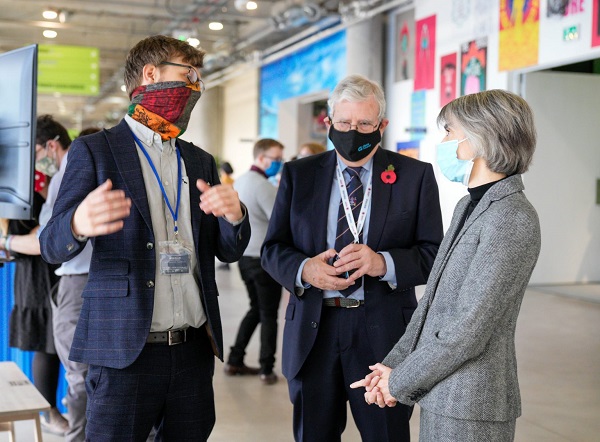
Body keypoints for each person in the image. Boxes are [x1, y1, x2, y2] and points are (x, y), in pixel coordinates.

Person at [40, 35, 250, 442]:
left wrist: (234, 216)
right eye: (187, 74)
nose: (196, 86)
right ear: (151, 74)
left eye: (198, 77)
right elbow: (51, 244)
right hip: (124, 352)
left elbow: (228, 250)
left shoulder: (199, 159)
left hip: (192, 350)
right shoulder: (96, 150)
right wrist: (77, 223)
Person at [350, 89, 541, 442]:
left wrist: (399, 382)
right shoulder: (469, 207)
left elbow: (468, 329)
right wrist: (393, 365)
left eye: (450, 132)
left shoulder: (511, 217)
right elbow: (433, 308)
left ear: (480, 138)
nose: (444, 142)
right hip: (443, 394)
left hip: (472, 404)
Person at [261, 74, 444, 442]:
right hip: (314, 330)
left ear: (382, 126)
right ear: (328, 122)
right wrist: (303, 269)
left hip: (383, 334)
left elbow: (434, 254)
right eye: (344, 123)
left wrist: (384, 263)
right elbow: (272, 249)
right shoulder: (299, 175)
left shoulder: (413, 176)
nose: (353, 131)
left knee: (386, 436)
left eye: (364, 124)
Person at [0, 126, 71, 436]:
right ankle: (48, 410)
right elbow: (16, 233)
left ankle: (53, 406)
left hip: (51, 266)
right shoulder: (16, 185)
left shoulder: (45, 180)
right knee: (46, 341)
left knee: (55, 342)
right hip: (34, 270)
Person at [37, 121, 100, 442]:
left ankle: (77, 436)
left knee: (80, 376)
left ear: (51, 145)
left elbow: (47, 239)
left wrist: (6, 242)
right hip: (95, 279)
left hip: (77, 283)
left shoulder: (72, 168)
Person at [224, 138, 284, 385]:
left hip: (244, 257)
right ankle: (266, 368)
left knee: (256, 309)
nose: (279, 162)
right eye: (276, 158)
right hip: (263, 259)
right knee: (269, 314)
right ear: (261, 157)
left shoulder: (240, 181)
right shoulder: (264, 186)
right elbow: (279, 221)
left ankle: (235, 359)